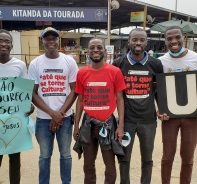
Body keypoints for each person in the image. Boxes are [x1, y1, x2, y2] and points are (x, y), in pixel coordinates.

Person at [28, 27, 78, 184]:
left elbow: (75, 89)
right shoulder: (36, 64)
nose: (51, 41)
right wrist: (51, 113)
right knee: (44, 156)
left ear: (58, 41)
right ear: (42, 41)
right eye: (47, 38)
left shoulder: (69, 61)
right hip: (43, 119)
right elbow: (32, 93)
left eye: (54, 38)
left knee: (65, 155)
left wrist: (59, 114)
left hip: (65, 118)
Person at [113, 28, 163, 184]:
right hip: (127, 121)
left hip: (148, 121)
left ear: (147, 42)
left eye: (142, 40)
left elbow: (158, 91)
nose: (138, 42)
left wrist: (161, 108)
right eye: (135, 39)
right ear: (129, 42)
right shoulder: (118, 64)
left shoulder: (156, 64)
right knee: (124, 158)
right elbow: (114, 93)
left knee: (147, 159)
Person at [73, 37, 126, 184]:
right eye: (92, 48)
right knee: (88, 165)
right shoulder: (82, 73)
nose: (95, 50)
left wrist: (120, 125)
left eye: (99, 47)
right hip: (88, 125)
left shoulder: (115, 72)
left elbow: (120, 99)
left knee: (110, 166)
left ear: (105, 50)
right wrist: (76, 124)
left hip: (108, 125)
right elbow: (80, 100)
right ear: (87, 52)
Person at [157, 26, 197, 184]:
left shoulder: (195, 58)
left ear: (183, 38)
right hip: (170, 117)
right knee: (168, 157)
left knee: (188, 158)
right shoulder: (161, 62)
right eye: (169, 38)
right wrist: (159, 109)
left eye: (177, 37)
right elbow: (156, 89)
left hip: (192, 116)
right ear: (165, 41)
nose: (174, 41)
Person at [0, 29, 34, 184]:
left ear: (11, 45)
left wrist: (28, 105)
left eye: (7, 41)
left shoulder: (19, 65)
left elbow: (23, 91)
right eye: (1, 40)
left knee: (15, 160)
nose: (3, 44)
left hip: (14, 121)